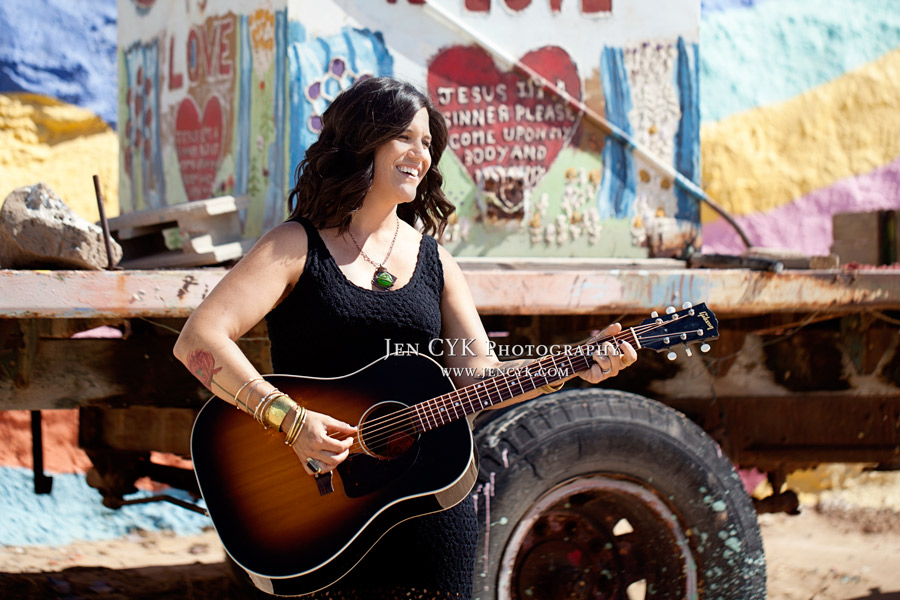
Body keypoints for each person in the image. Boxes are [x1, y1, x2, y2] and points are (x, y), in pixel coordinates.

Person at [173, 76, 637, 600]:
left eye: (427, 143)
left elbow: (480, 378)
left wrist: (571, 364)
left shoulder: (436, 262)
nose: (422, 154)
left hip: (431, 518)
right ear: (361, 140)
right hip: (321, 520)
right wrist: (290, 418)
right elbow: (199, 340)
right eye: (405, 138)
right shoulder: (295, 246)